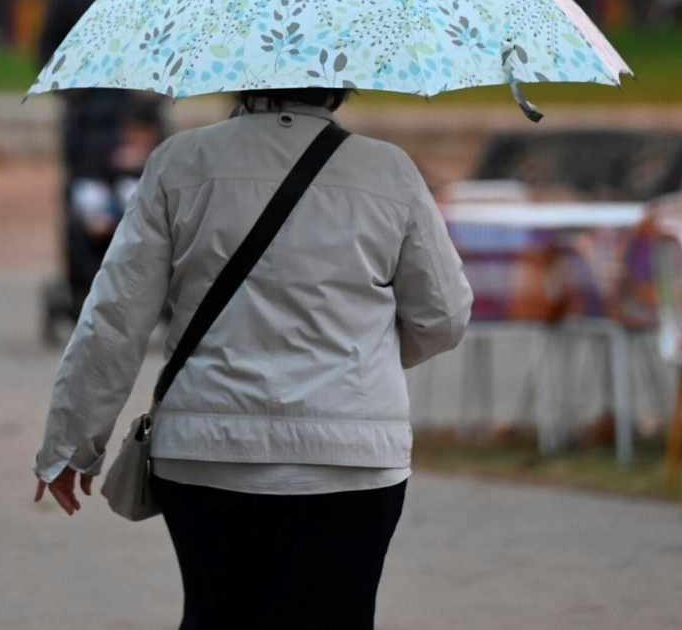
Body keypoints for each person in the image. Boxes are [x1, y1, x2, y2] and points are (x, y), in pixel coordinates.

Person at [33, 88, 473, 629]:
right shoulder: (389, 171)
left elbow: (116, 318)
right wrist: (361, 358)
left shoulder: (180, 163)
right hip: (350, 458)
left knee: (217, 615)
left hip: (206, 448)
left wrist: (71, 444)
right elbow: (444, 316)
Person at [39, 0, 167, 307]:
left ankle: (150, 288)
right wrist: (74, 88)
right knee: (85, 203)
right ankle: (83, 284)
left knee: (147, 202)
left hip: (138, 118)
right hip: (88, 118)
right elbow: (48, 52)